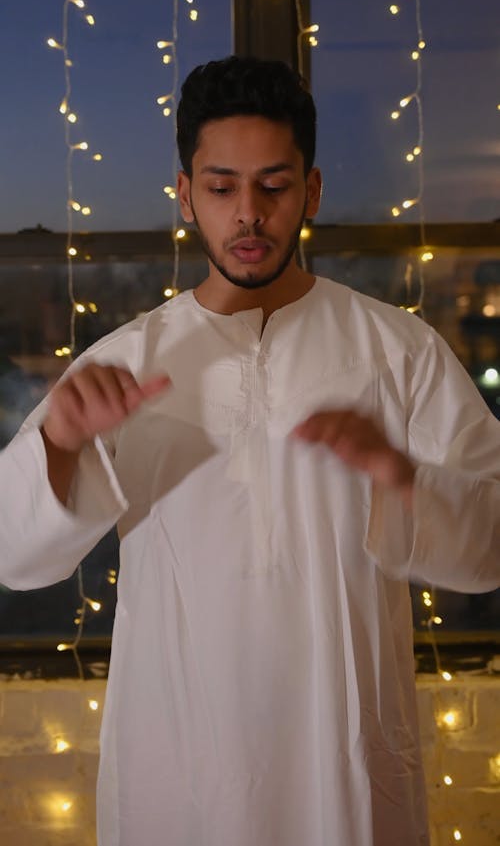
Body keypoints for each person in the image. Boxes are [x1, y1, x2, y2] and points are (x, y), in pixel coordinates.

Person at [1, 56, 500, 846]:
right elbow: (14, 554)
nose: (249, 214)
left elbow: (491, 546)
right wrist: (60, 445)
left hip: (344, 760)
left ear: (313, 190)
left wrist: (402, 476)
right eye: (222, 186)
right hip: (180, 758)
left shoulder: (399, 351)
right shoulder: (127, 360)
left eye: (273, 185)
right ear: (186, 193)